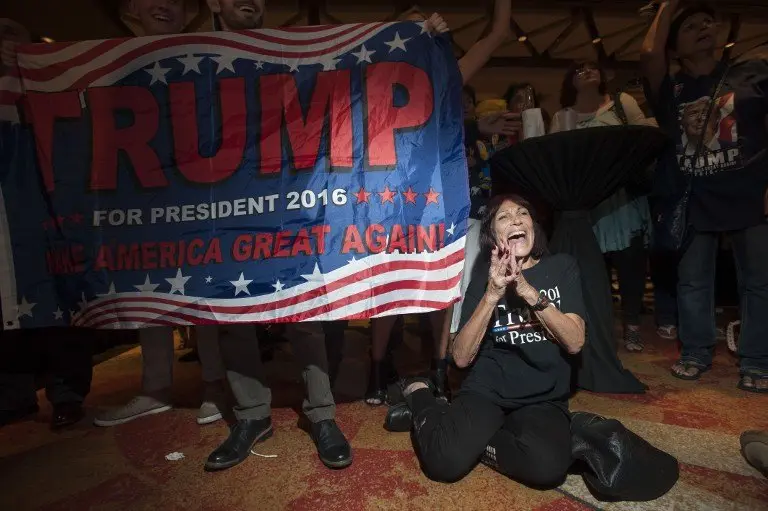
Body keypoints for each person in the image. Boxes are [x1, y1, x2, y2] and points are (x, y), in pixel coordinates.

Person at [202, 0, 352, 471]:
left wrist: (419, 35)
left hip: (286, 201)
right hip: (221, 200)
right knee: (232, 314)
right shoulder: (190, 56)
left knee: (305, 310)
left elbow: (354, 73)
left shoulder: (293, 52)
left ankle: (322, 415)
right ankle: (251, 415)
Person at [366, 0, 513, 407]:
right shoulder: (371, 78)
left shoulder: (448, 75)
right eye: (405, 27)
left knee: (442, 287)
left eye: (422, 25)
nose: (417, 30)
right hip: (390, 201)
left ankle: (438, 367)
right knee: (388, 285)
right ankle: (376, 370)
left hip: (440, 200)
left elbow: (497, 32)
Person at [387, 194, 585, 486]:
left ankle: (467, 435)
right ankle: (420, 395)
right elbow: (462, 357)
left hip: (542, 397)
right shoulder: (484, 276)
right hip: (487, 390)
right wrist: (493, 293)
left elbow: (575, 342)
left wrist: (527, 290)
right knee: (444, 463)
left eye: (523, 214)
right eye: (504, 218)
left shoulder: (562, 267)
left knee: (547, 471)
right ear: (493, 236)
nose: (516, 219)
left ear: (534, 226)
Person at [94, 0, 229, 427]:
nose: (163, 5)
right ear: (131, 7)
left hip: (200, 193)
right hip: (142, 198)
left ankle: (215, 385)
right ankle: (154, 389)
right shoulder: (111, 61)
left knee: (203, 293)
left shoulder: (204, 53)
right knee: (146, 291)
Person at [641, 1, 768, 391]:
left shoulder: (751, 72)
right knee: (693, 281)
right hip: (693, 197)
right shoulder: (672, 88)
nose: (703, 28)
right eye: (690, 26)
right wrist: (667, 7)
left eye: (707, 22)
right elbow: (649, 53)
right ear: (675, 47)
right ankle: (696, 352)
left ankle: (757, 360)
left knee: (759, 282)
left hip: (750, 194)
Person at [550, 60, 655, 352]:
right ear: (570, 81)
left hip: (621, 199)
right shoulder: (562, 117)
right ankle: (598, 327)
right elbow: (555, 157)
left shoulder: (623, 103)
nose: (587, 71)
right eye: (579, 69)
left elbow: (646, 139)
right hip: (585, 203)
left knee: (630, 264)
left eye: (592, 67)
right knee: (593, 269)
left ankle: (632, 325)